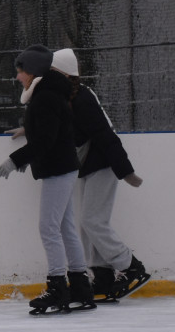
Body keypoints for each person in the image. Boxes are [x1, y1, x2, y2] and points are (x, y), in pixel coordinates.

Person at [0, 45, 94, 314]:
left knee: (49, 228)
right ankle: (80, 286)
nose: (18, 77)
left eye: (21, 71)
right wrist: (28, 137)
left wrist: (16, 159)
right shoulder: (49, 93)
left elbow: (46, 140)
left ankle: (57, 288)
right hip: (62, 166)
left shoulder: (46, 96)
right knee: (64, 227)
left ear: (34, 71)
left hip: (58, 169)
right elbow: (50, 131)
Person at [53, 48, 150, 300]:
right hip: (88, 166)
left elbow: (105, 134)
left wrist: (125, 171)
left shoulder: (83, 99)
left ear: (63, 74)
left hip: (104, 165)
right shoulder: (66, 97)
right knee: (88, 223)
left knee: (93, 221)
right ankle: (103, 276)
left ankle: (130, 267)